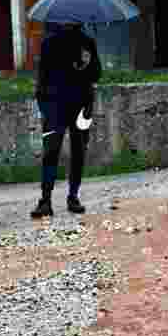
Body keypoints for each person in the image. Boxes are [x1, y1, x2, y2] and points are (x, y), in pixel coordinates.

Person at [31, 22, 102, 219]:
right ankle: (45, 200)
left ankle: (73, 197)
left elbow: (96, 73)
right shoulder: (49, 43)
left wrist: (84, 62)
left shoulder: (87, 42)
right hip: (54, 106)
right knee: (51, 151)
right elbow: (42, 77)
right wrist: (43, 104)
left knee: (79, 150)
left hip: (82, 106)